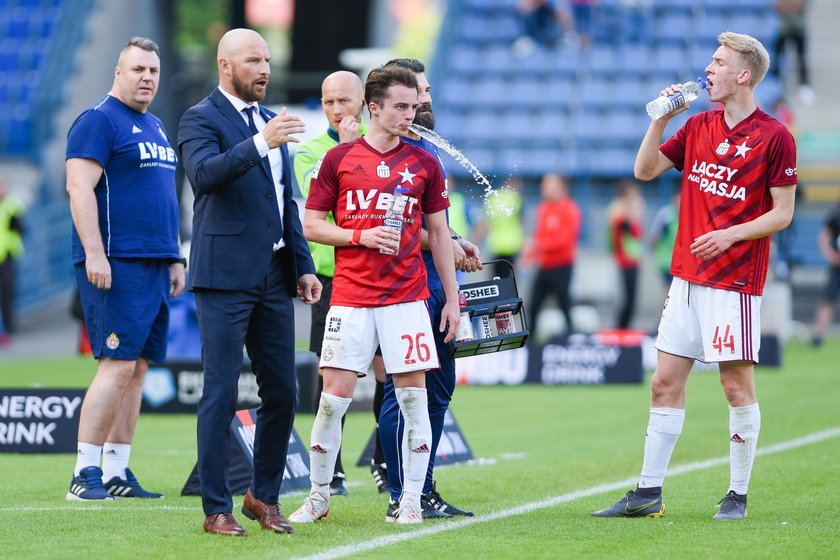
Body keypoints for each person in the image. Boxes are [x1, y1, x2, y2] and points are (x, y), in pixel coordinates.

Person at [592, 32, 796, 521]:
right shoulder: (699, 123)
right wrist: (662, 117)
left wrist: (730, 235)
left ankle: (738, 494)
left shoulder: (775, 136)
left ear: (742, 75)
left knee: (735, 388)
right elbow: (644, 171)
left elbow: (783, 213)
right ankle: (647, 493)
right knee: (663, 383)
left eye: (718, 62)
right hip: (685, 278)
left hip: (735, 281)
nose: (708, 70)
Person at [289, 65, 460, 526]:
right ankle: (319, 495)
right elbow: (310, 225)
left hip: (407, 299)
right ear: (374, 108)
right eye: (401, 107)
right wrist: (360, 237)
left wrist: (453, 300)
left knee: (413, 400)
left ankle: (408, 500)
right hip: (350, 297)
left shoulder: (425, 162)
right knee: (333, 399)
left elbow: (440, 237)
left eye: (414, 106)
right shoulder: (338, 159)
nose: (411, 114)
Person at [178, 28, 320, 537]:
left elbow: (288, 203)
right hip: (223, 277)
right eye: (253, 60)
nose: (264, 69)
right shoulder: (200, 118)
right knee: (219, 388)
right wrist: (262, 142)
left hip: (273, 274)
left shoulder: (268, 121)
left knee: (282, 389)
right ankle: (216, 507)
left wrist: (302, 264)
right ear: (225, 65)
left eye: (267, 60)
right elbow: (204, 175)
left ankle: (263, 495)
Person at [65, 37, 184, 501]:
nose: (147, 78)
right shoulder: (98, 120)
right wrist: (95, 253)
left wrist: (174, 256)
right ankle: (83, 474)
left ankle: (115, 472)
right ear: (118, 72)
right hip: (116, 262)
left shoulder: (154, 124)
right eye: (138, 70)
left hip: (155, 263)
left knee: (137, 369)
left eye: (153, 71)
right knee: (116, 366)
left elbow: (164, 198)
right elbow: (79, 188)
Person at [377, 57, 482, 522]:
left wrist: (455, 243)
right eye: (420, 91)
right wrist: (449, 243)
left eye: (427, 90)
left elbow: (435, 222)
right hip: (404, 282)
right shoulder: (383, 155)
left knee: (438, 391)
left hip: (437, 281)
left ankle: (424, 486)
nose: (427, 98)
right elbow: (389, 222)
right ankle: (402, 491)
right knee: (403, 391)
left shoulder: (426, 150)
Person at [293, 70, 389, 496]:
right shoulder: (310, 153)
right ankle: (329, 471)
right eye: (328, 102)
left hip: (386, 277)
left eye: (344, 102)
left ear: (365, 103)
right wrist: (350, 149)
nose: (336, 111)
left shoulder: (388, 146)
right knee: (332, 375)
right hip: (335, 278)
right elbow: (335, 208)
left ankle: (387, 462)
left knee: (391, 371)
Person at [523, 173, 581, 338]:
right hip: (544, 266)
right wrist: (529, 257)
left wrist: (538, 245)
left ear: (560, 187)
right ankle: (530, 343)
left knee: (564, 304)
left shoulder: (569, 209)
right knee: (534, 305)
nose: (544, 188)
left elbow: (563, 240)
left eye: (548, 184)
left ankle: (572, 338)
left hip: (562, 266)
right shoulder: (543, 208)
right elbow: (539, 235)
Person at [607, 179, 644, 329]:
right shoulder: (619, 212)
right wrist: (635, 212)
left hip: (631, 258)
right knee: (629, 299)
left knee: (630, 299)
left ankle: (623, 328)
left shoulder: (621, 211)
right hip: (626, 258)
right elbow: (632, 233)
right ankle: (621, 329)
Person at [475, 177, 524, 279]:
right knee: (510, 282)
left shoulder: (493, 198)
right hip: (512, 245)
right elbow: (520, 223)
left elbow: (484, 224)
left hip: (496, 245)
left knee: (496, 280)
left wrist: (475, 242)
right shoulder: (516, 199)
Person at [773, 0, 814, 104]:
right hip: (783, 28)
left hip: (798, 27)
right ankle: (776, 85)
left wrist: (789, 6)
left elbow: (801, 5)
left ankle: (804, 85)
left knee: (801, 57)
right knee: (777, 57)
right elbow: (779, 7)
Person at [811, 203, 840, 347]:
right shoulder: (836, 214)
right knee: (827, 301)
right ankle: (818, 337)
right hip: (837, 267)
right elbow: (824, 235)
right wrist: (830, 254)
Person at [0, 179, 24, 341]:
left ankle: (8, 328)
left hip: (7, 254)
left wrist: (15, 225)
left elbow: (22, 228)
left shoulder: (12, 204)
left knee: (7, 293)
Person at [650, 188, 680, 290]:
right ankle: (664, 307)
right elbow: (653, 237)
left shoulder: (687, 214)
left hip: (681, 262)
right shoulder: (665, 215)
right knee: (670, 290)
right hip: (667, 262)